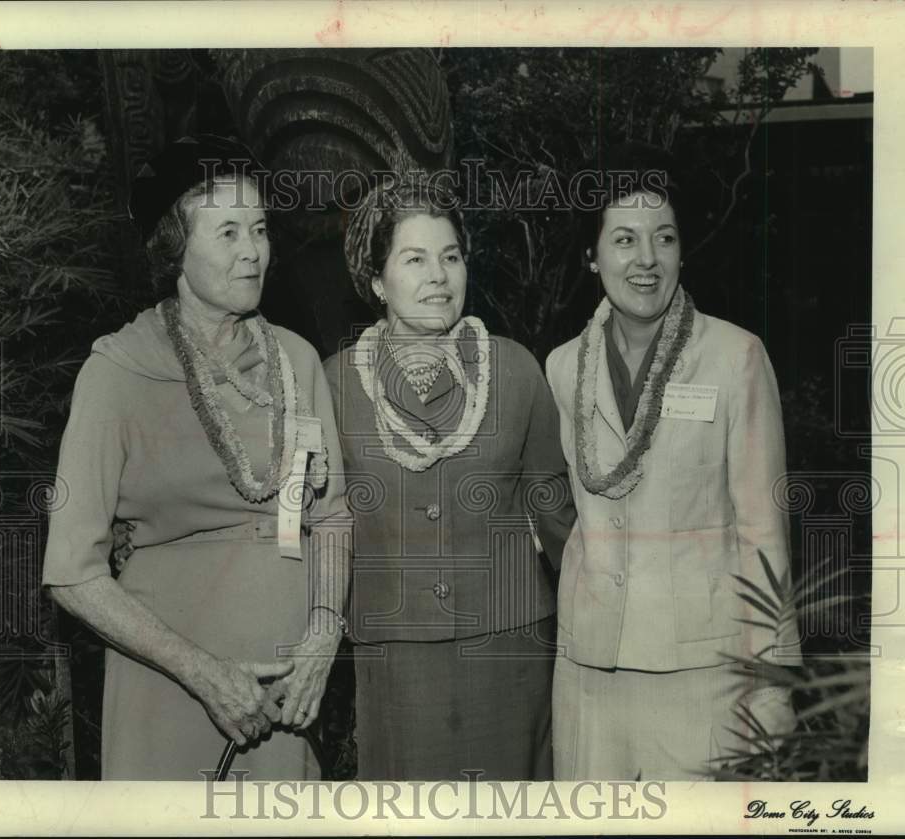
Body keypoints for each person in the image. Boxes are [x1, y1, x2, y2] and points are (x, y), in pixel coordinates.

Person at [42, 136, 352, 781]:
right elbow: (71, 572)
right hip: (173, 691)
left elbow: (333, 518)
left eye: (261, 229)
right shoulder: (119, 371)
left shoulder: (295, 360)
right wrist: (203, 673)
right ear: (174, 248)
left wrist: (323, 638)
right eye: (228, 231)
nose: (252, 251)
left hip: (289, 697)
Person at [546, 144, 801, 781]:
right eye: (624, 239)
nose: (646, 259)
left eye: (664, 237)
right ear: (591, 255)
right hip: (589, 674)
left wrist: (772, 681)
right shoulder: (560, 369)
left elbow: (763, 533)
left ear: (683, 249)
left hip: (704, 675)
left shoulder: (736, 358)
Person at [325, 177, 576, 780]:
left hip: (512, 653)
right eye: (415, 259)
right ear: (376, 279)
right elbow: (317, 524)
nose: (439, 275)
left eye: (451, 256)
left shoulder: (515, 369)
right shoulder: (332, 383)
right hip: (396, 661)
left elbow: (561, 520)